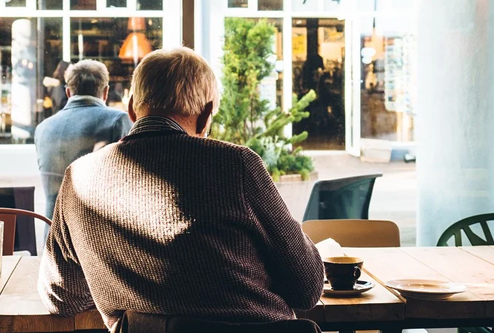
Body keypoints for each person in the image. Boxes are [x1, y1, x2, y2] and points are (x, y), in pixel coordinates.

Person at [38, 47, 324, 332]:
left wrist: (118, 281)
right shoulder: (236, 165)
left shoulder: (78, 177)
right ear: (206, 115)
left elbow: (60, 297)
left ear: (132, 108)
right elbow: (307, 288)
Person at [34, 60, 132, 219]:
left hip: (52, 233)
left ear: (68, 93)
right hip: (95, 234)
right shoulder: (117, 121)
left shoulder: (43, 128)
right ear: (106, 92)